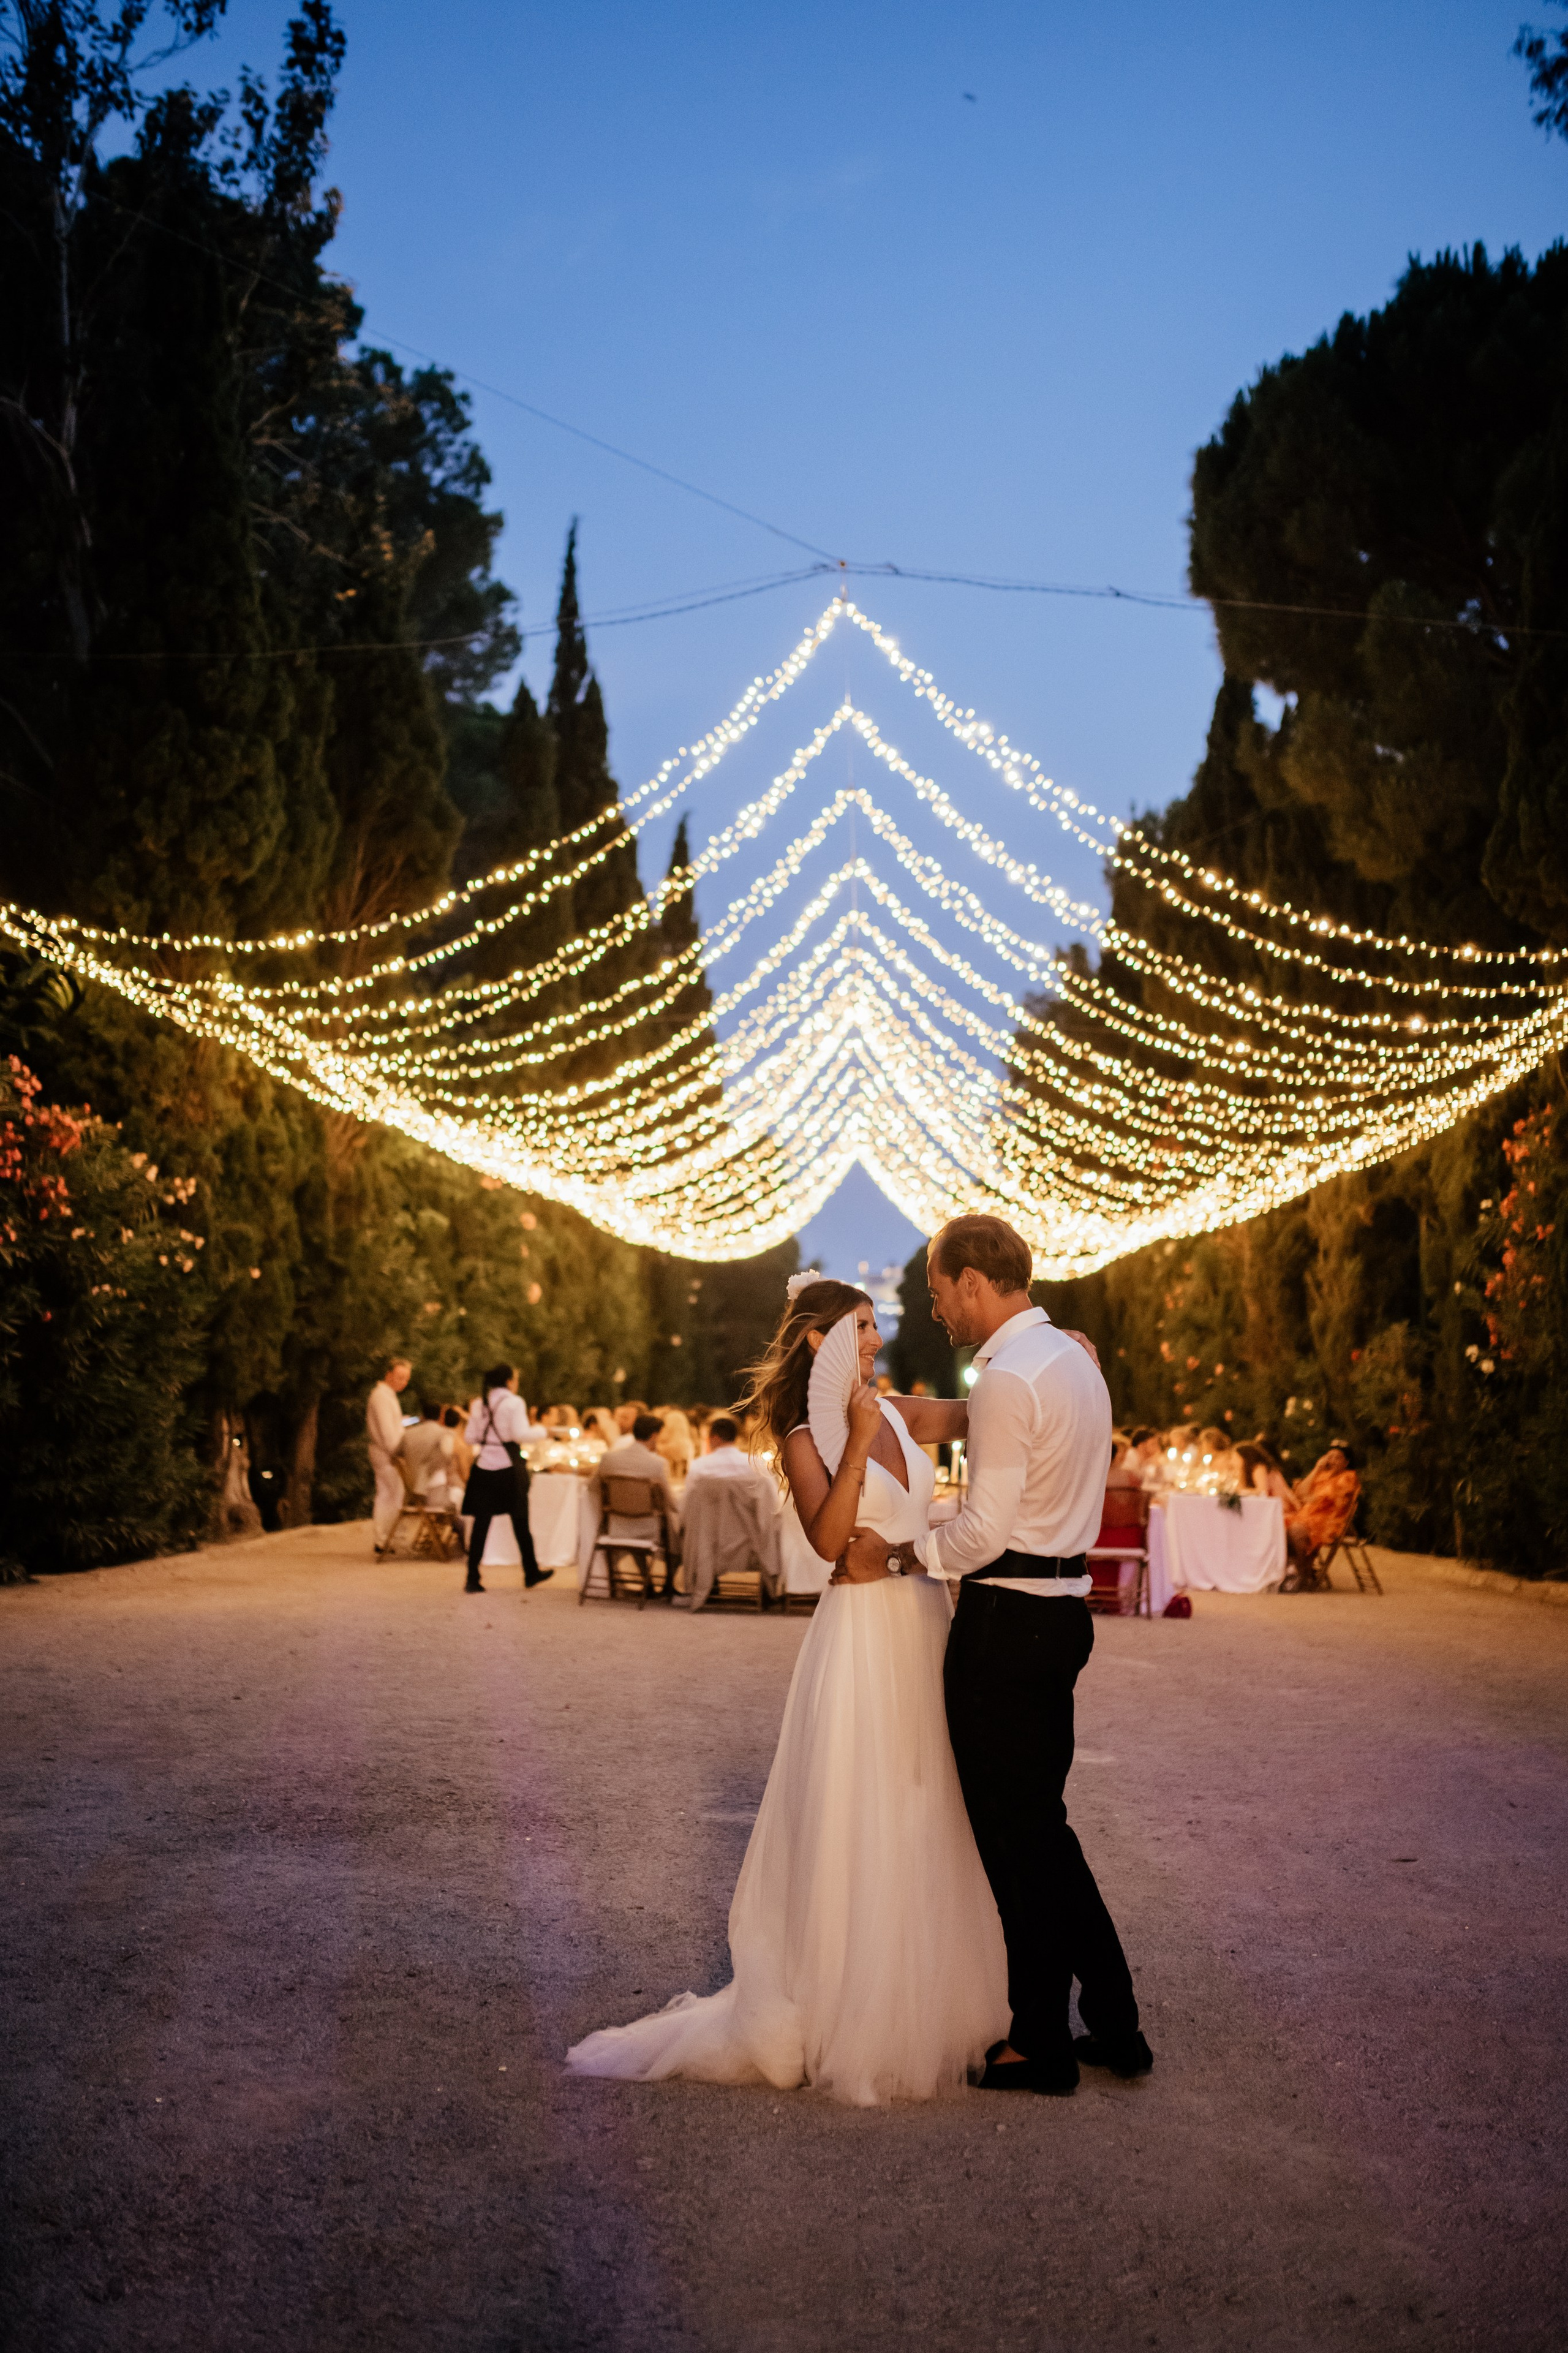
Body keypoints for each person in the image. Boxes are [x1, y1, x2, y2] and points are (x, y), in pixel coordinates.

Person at [567, 1277, 1001, 2106]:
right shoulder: (807, 1432)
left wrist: (1046, 1359)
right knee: (860, 1808)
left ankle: (930, 1998)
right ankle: (848, 2006)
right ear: (819, 1340)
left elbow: (975, 1413)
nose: (876, 1339)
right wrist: (859, 1438)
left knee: (927, 1799)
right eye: (863, 1326)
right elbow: (830, 1539)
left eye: (876, 1326)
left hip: (922, 1618)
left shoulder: (901, 1410)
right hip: (861, 1633)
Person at [911, 1214, 1152, 2093]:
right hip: (1063, 1615)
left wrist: (909, 1554)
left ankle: (1041, 2042)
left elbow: (982, 1531)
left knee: (1016, 1843)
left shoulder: (1009, 1375)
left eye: (940, 1295)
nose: (940, 1313)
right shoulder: (1076, 1364)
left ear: (974, 1280)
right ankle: (1116, 2021)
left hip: (1008, 1623)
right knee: (1042, 1832)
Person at [462, 1363, 552, 1597]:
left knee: (481, 1525)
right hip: (508, 1468)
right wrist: (543, 1431)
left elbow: (470, 1437)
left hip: (483, 1468)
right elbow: (521, 1435)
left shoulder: (477, 1403)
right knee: (521, 1522)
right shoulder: (514, 1402)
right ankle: (531, 1572)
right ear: (510, 1381)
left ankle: (473, 1577)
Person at [590, 1413, 682, 1590]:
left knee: (641, 1523)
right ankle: (668, 1585)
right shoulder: (657, 1464)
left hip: (616, 1525)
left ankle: (647, 1583)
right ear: (654, 1436)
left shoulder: (609, 1459)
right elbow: (670, 1502)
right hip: (647, 1528)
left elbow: (593, 1490)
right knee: (676, 1528)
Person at [1283, 1445, 1360, 1582]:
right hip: (1306, 1516)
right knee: (1280, 1526)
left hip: (1327, 1521)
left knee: (1296, 1531)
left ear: (1346, 1462)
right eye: (1330, 1457)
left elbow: (1325, 1499)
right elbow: (1300, 1492)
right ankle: (1294, 1569)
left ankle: (1302, 1572)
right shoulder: (1322, 1475)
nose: (1333, 1460)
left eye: (1338, 1457)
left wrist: (1309, 1498)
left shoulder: (1348, 1477)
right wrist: (1316, 1469)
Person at [367, 1358, 411, 1552]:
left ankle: (385, 1537)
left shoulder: (387, 1396)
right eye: (400, 1377)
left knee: (388, 1494)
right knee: (392, 1494)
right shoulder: (381, 1397)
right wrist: (397, 1452)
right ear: (389, 1375)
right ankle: (386, 1537)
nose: (403, 1382)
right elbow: (387, 1432)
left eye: (406, 1379)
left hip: (384, 1452)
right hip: (386, 1454)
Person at [684, 1413, 762, 1484]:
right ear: (735, 1437)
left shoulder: (699, 1467)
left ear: (714, 1437)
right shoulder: (757, 1466)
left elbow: (689, 1498)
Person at [401, 1400, 453, 1505]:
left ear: (423, 1416)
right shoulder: (444, 1433)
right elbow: (447, 1455)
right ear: (440, 1416)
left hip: (411, 1485)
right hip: (435, 1484)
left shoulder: (408, 1434)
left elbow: (397, 1453)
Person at [653, 1407, 695, 1486]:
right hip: (686, 1447)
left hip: (672, 1448)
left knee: (659, 1449)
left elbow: (665, 1436)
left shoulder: (669, 1418)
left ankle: (670, 1480)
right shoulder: (681, 1415)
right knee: (679, 1469)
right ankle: (680, 1481)